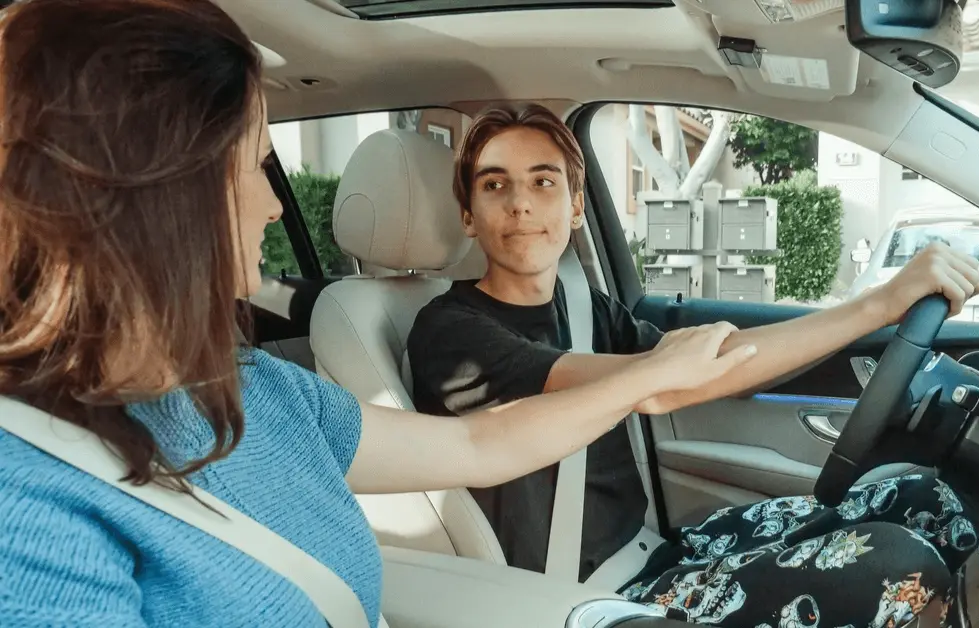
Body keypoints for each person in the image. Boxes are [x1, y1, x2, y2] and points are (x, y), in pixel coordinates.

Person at [0, 1, 758, 626]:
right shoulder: (25, 506)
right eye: (252, 166)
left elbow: (474, 444)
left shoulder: (251, 384)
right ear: (162, 197)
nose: (272, 204)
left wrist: (647, 375)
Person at [407, 104, 979, 627]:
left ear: (578, 205)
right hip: (592, 598)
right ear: (467, 214)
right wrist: (880, 304)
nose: (522, 203)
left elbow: (719, 367)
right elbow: (659, 387)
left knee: (922, 497)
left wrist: (875, 315)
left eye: (544, 181)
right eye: (494, 185)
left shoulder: (584, 305)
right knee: (898, 567)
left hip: (656, 551)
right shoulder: (450, 331)